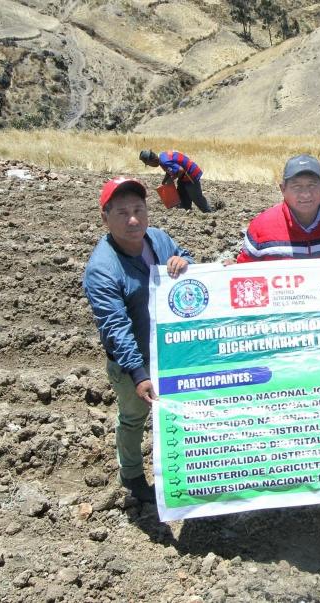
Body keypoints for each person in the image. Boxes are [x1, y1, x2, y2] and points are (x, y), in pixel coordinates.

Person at [83, 177, 194, 502]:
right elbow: (115, 328)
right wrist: (138, 374)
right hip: (135, 361)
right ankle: (131, 476)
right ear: (105, 218)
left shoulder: (157, 238)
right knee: (133, 418)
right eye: (122, 213)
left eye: (138, 209)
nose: (133, 219)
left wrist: (183, 261)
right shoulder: (103, 269)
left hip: (171, 352)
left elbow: (185, 259)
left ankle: (182, 474)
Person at [236, 154, 320, 262]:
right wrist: (230, 270)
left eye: (312, 185)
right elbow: (245, 271)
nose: (306, 194)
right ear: (283, 189)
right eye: (296, 187)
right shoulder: (260, 227)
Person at [139, 149, 213, 213]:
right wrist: (164, 182)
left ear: (153, 160)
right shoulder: (162, 156)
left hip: (190, 174)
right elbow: (170, 170)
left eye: (149, 164)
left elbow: (180, 170)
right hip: (184, 176)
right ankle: (186, 210)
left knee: (196, 197)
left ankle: (209, 213)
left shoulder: (164, 161)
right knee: (182, 193)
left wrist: (170, 180)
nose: (150, 166)